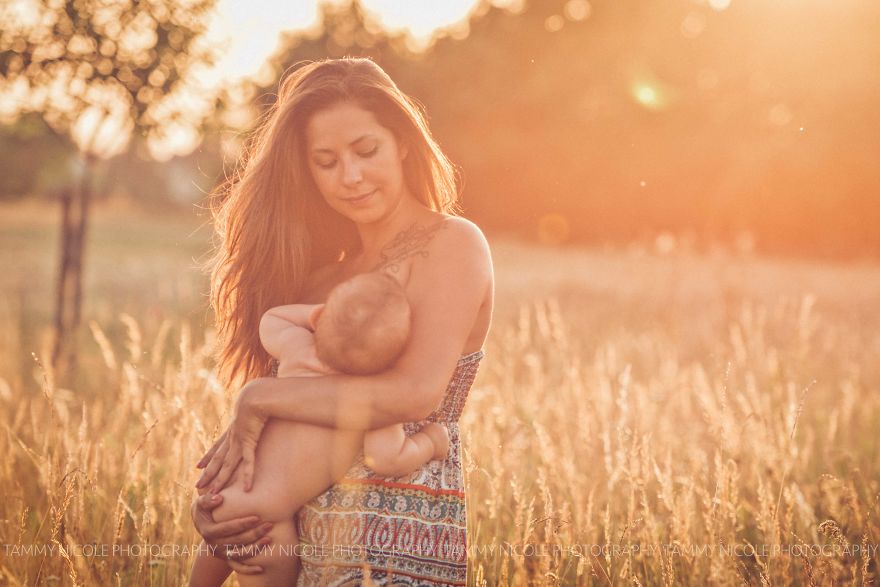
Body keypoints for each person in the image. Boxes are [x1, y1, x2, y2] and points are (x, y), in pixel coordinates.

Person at [191, 57, 494, 586]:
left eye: (366, 150)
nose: (349, 177)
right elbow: (288, 413)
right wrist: (222, 510)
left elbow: (414, 394)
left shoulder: (453, 243)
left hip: (399, 540)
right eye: (325, 161)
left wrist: (255, 398)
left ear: (401, 141)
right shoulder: (321, 283)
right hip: (303, 542)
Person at [189, 271, 451, 586]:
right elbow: (387, 459)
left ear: (318, 316)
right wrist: (431, 443)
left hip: (223, 493)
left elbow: (272, 320)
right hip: (263, 522)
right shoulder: (372, 400)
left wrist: (318, 317)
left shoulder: (298, 348)